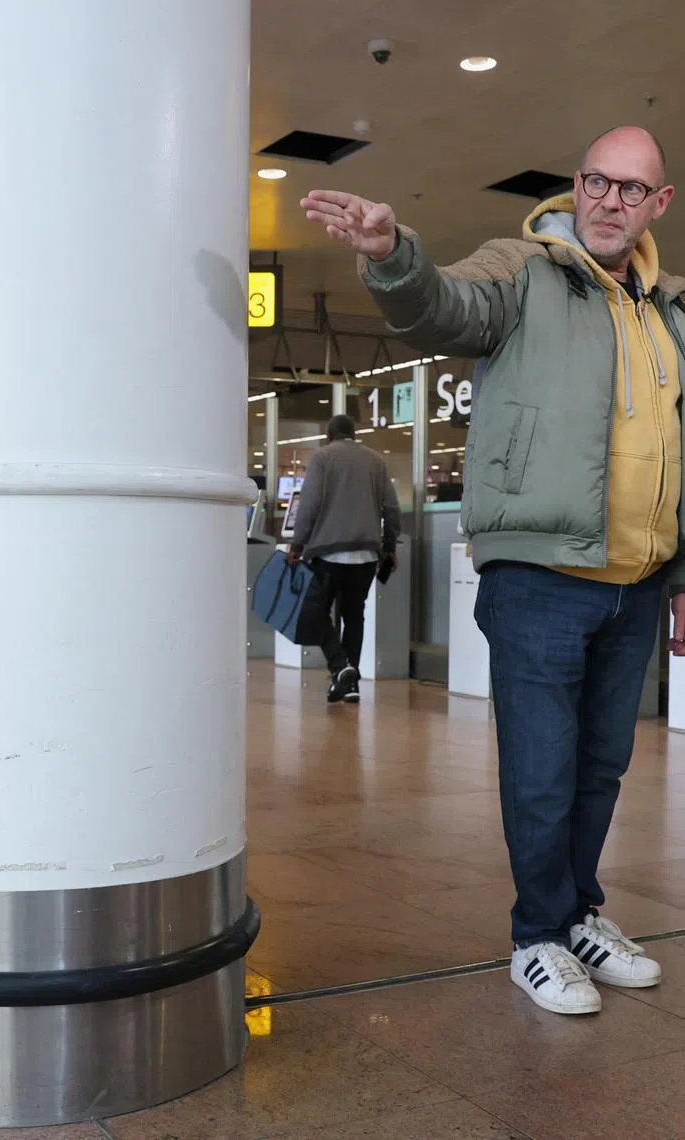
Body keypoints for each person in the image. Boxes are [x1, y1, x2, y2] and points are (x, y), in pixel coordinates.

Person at [301, 125, 684, 1015]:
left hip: (636, 576)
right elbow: (442, 308)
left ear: (657, 205)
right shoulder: (524, 268)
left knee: (601, 765)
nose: (609, 202)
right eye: (597, 181)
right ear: (575, 184)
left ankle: (581, 910)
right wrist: (393, 255)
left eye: (632, 190)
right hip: (542, 572)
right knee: (544, 768)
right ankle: (540, 937)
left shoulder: (665, 308)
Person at [287, 414, 400, 704]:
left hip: (327, 553)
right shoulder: (376, 461)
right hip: (366, 555)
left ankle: (340, 667)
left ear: (329, 436)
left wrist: (297, 544)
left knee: (315, 613)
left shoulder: (322, 458)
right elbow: (391, 507)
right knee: (354, 617)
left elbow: (309, 504)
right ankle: (348, 684)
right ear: (354, 434)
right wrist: (389, 547)